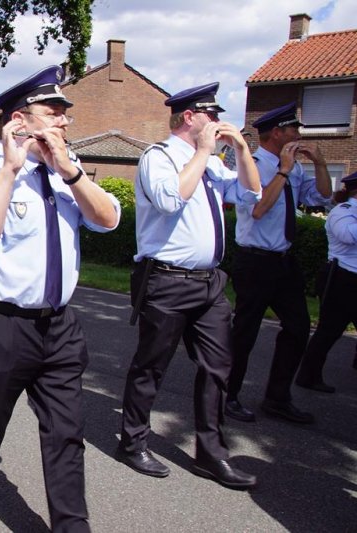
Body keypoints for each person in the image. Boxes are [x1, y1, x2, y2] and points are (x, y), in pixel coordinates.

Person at [0, 65, 120, 533]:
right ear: (19, 120)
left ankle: (71, 525)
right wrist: (10, 169)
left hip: (59, 326)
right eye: (54, 111)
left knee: (67, 433)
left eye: (65, 112)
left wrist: (71, 172)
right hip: (2, 325)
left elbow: (107, 219)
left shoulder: (67, 166)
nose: (64, 120)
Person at [118, 82, 261, 490]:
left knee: (218, 367)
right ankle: (132, 442)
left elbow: (252, 194)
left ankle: (211, 455)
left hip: (209, 283)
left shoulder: (213, 163)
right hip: (166, 280)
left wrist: (242, 150)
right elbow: (170, 200)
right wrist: (203, 152)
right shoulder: (159, 157)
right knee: (151, 366)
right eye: (210, 115)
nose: (216, 122)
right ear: (189, 117)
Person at [225, 103, 331, 424]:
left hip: (283, 262)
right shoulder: (253, 166)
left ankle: (277, 398)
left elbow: (322, 196)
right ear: (276, 133)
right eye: (293, 129)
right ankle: (227, 395)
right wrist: (282, 172)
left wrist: (320, 163)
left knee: (298, 328)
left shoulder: (294, 168)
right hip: (254, 262)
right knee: (245, 333)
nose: (299, 134)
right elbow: (258, 210)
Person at [295, 172, 357, 391]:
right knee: (329, 330)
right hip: (342, 277)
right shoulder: (344, 211)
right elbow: (347, 235)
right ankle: (308, 376)